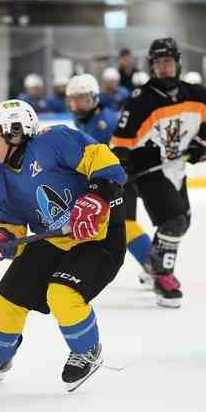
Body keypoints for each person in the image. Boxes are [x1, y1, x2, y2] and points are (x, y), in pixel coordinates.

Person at [0, 99, 126, 391]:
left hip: (98, 236)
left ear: (15, 131)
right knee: (9, 296)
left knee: (62, 293)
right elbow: (11, 237)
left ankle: (86, 350)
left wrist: (97, 197)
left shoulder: (56, 141)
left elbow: (106, 163)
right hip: (53, 240)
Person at [111, 37, 206, 308]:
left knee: (181, 222)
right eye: (159, 62)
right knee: (174, 222)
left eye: (168, 61)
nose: (164, 67)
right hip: (147, 170)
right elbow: (121, 142)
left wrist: (203, 145)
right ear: (152, 66)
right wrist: (122, 169)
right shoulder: (140, 99)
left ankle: (153, 264)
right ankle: (163, 277)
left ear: (177, 63)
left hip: (176, 169)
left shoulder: (198, 94)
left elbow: (204, 129)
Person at [68, 74, 154, 286]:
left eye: (83, 99)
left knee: (126, 225)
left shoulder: (107, 120)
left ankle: (157, 268)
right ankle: (155, 266)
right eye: (74, 99)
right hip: (111, 179)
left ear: (94, 98)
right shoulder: (84, 119)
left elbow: (124, 151)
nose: (78, 104)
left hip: (122, 178)